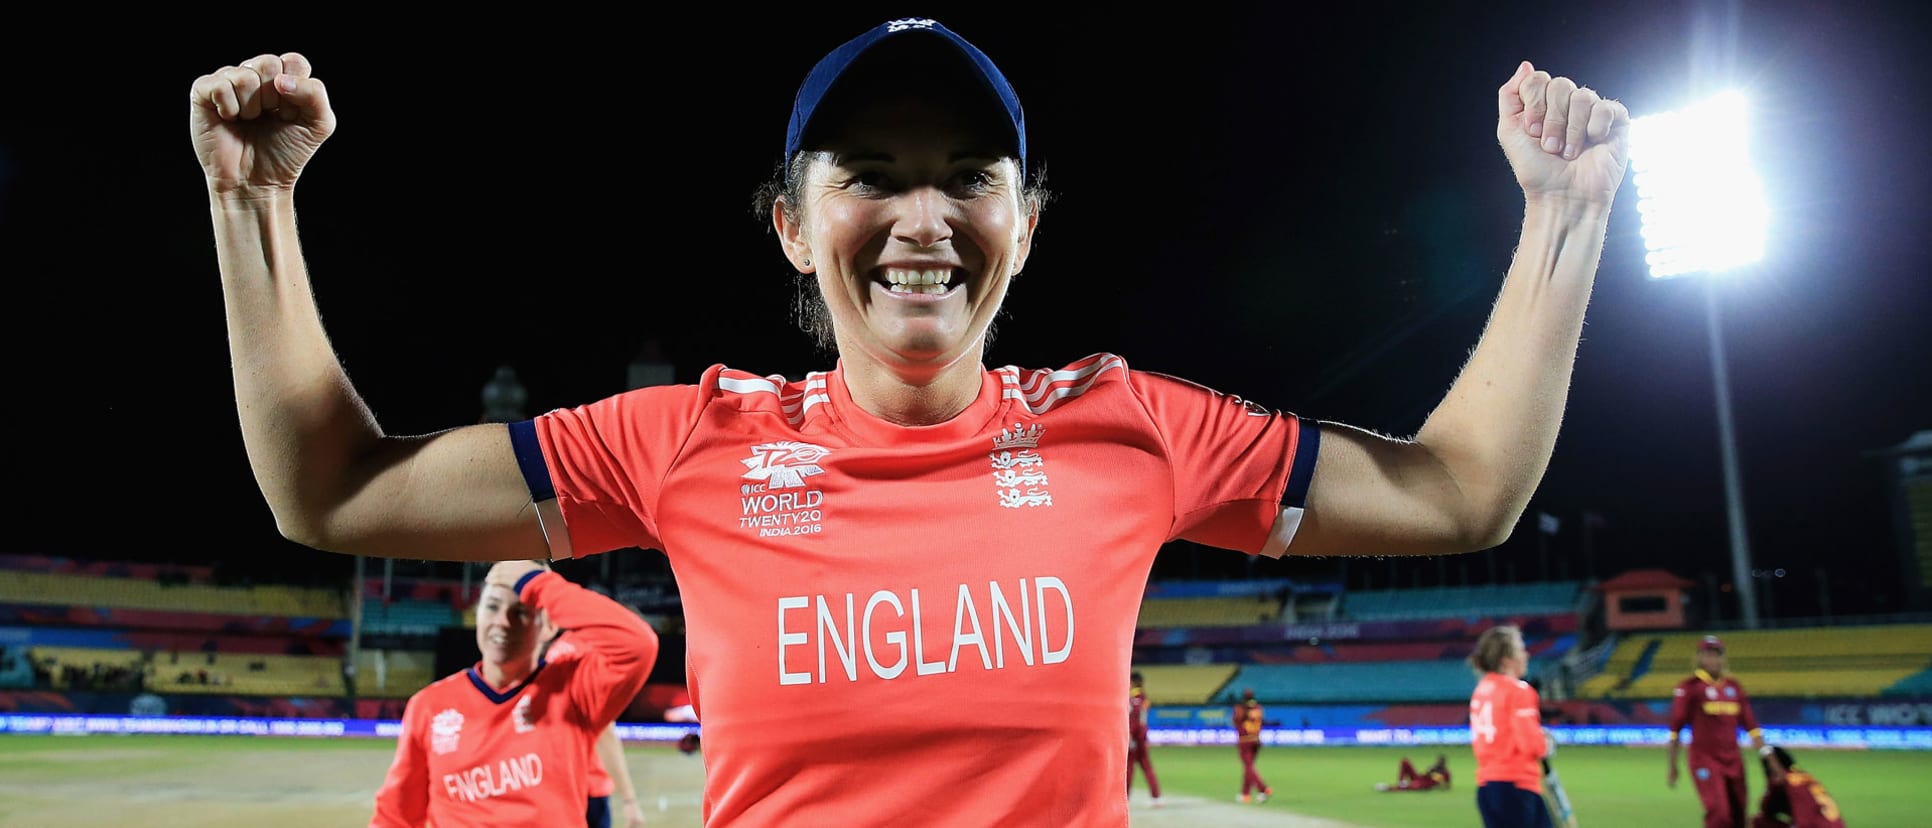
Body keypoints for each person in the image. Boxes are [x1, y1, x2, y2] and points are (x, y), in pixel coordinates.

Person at [189, 14, 1629, 826]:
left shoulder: (1132, 425)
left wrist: (1565, 216)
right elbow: (331, 492)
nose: (924, 216)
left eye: (973, 174)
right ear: (793, 228)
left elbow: (1463, 492)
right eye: (869, 172)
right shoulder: (690, 438)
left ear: (1028, 221)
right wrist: (251, 208)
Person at [367, 561, 659, 827]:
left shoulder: (572, 690)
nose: (503, 622)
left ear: (548, 627)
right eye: (492, 606)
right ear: (477, 613)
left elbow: (637, 644)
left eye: (521, 611)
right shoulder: (430, 705)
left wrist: (540, 585)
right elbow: (396, 814)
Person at [541, 612, 651, 828]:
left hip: (552, 778)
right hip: (584, 786)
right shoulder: (594, 656)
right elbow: (602, 731)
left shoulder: (565, 644)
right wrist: (629, 800)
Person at [1669, 635, 1767, 828]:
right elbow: (1675, 729)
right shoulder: (1690, 688)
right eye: (1708, 655)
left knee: (1739, 814)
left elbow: (1751, 726)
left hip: (1733, 760)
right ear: (1699, 658)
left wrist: (1767, 756)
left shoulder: (1734, 688)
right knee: (1719, 813)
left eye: (1717, 655)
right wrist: (1673, 765)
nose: (1713, 660)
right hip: (1704, 760)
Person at [1468, 625, 1551, 828]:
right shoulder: (1518, 691)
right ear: (1506, 661)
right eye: (1520, 650)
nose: (1526, 655)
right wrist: (1546, 743)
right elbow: (1532, 745)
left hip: (1487, 787)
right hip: (1517, 786)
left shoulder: (1482, 689)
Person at [1753, 746, 1846, 828]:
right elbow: (1767, 811)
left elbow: (1805, 821)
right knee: (1760, 821)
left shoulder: (1793, 784)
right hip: (1831, 824)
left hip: (1815, 825)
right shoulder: (1801, 777)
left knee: (1757, 822)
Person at [1126, 671, 1162, 807]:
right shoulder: (1143, 697)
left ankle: (1125, 798)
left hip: (1134, 738)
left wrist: (1130, 736)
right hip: (1142, 738)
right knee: (1147, 767)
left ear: (1133, 682)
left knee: (1128, 769)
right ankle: (1156, 797)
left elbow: (1134, 721)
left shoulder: (1133, 699)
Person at [1233, 688, 1274, 803]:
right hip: (1256, 740)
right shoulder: (1258, 708)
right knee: (1249, 767)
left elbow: (1236, 720)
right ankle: (1245, 794)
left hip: (1245, 741)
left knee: (1248, 767)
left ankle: (1263, 788)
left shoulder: (1240, 708)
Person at [1376, 753, 1452, 792]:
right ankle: (1401, 782)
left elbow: (1447, 786)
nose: (1439, 763)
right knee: (1405, 761)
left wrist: (1438, 785)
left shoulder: (1445, 773)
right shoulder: (1433, 767)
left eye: (1441, 762)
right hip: (1419, 778)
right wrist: (1429, 771)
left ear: (1444, 763)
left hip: (1424, 785)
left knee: (1408, 787)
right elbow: (1425, 774)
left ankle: (1387, 787)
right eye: (1438, 761)